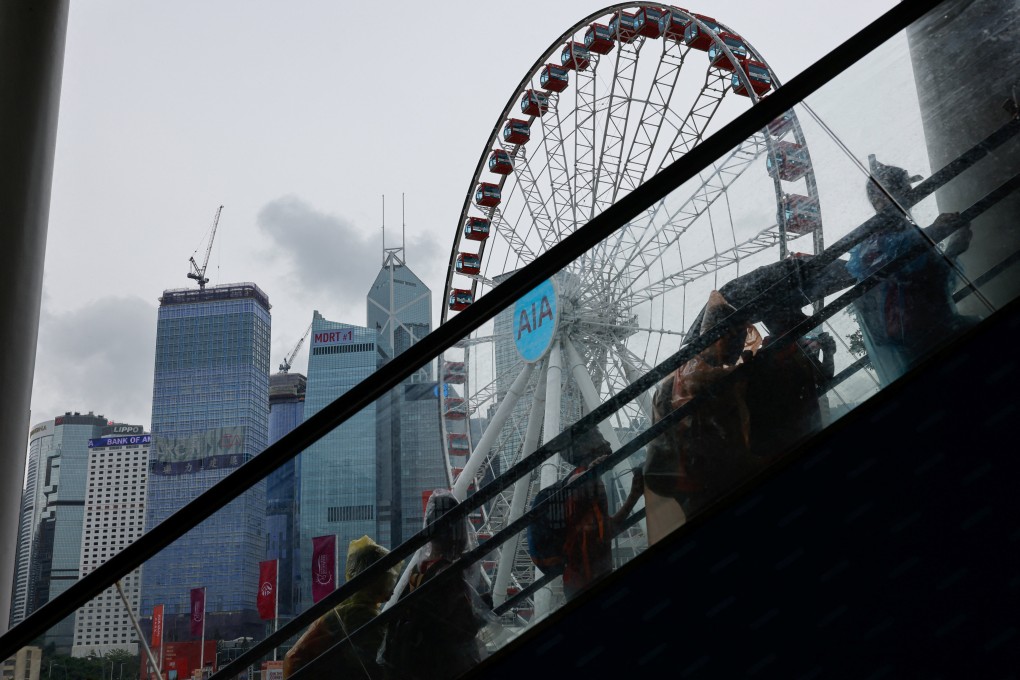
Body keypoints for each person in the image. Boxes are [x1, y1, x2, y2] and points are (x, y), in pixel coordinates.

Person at [644, 290, 762, 540]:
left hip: (694, 486)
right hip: (711, 482)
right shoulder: (717, 380)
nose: (741, 343)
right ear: (723, 336)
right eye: (738, 336)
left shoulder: (676, 379)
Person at [847, 155, 976, 384]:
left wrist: (953, 247)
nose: (909, 197)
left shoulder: (882, 239)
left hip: (926, 334)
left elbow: (927, 280)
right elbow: (907, 272)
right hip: (925, 336)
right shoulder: (876, 243)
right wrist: (937, 234)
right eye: (902, 190)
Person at [378, 490, 489, 679]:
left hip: (415, 662)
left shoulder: (419, 569)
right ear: (460, 532)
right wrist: (483, 614)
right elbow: (458, 630)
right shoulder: (448, 576)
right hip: (439, 665)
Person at [283, 535, 401, 679]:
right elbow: (378, 665)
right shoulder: (358, 615)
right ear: (375, 580)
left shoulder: (347, 609)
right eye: (389, 579)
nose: (392, 587)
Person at [558, 427, 644, 601]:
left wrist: (634, 495)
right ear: (583, 447)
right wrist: (591, 473)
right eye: (599, 437)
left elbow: (604, 531)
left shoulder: (587, 480)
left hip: (586, 579)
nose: (607, 442)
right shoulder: (582, 481)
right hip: (587, 583)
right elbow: (603, 534)